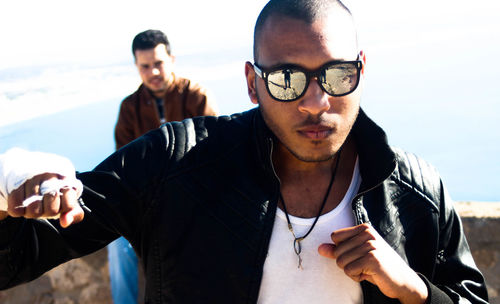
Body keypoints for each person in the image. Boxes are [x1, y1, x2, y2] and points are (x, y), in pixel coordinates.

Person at [0, 0, 489, 303]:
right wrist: (13, 181)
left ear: (362, 68)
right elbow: (14, 259)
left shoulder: (417, 193)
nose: (316, 102)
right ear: (253, 84)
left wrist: (413, 290)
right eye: (286, 79)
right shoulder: (174, 166)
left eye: (337, 74)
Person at [108, 29, 218, 304]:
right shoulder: (129, 108)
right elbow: (120, 168)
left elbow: (217, 155)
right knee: (117, 244)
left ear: (171, 59)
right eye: (145, 66)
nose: (153, 71)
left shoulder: (195, 96)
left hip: (195, 200)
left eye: (158, 63)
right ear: (137, 67)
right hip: (146, 205)